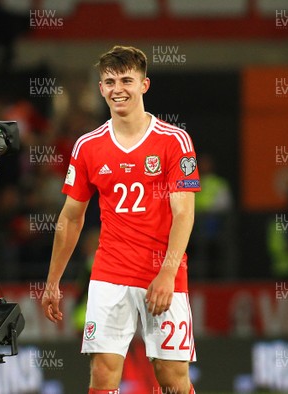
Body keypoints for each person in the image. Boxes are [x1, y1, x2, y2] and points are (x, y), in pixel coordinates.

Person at [41, 46, 199, 394]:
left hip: (163, 272)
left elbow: (184, 213)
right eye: (110, 81)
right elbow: (71, 217)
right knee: (103, 373)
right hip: (110, 273)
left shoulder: (174, 141)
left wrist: (168, 273)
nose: (118, 88)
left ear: (144, 84)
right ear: (101, 89)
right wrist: (53, 281)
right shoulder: (88, 146)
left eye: (127, 80)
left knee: (172, 378)